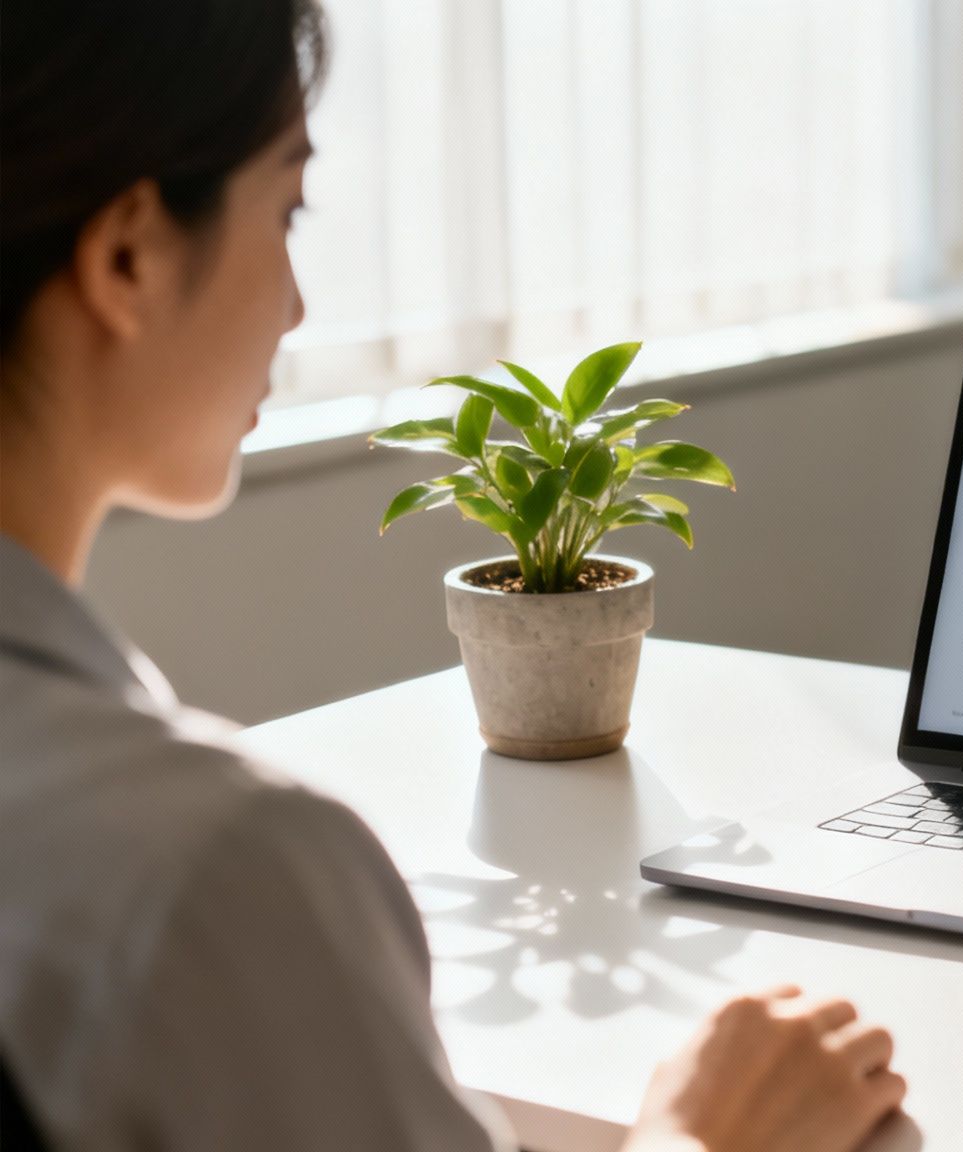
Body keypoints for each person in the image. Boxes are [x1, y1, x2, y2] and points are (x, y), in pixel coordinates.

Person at [0, 2, 907, 1148]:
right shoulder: (211, 870)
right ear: (127, 255)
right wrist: (701, 1134)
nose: (296, 304)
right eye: (285, 209)